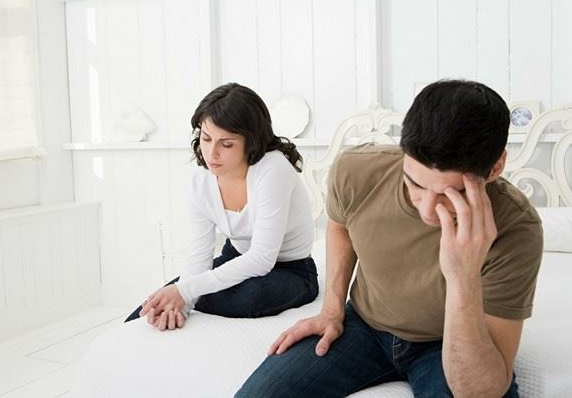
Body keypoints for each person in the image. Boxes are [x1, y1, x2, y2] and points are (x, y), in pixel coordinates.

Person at [236, 80, 543, 397]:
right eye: (415, 184)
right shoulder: (357, 171)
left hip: (447, 342)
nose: (427, 209)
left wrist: (462, 276)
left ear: (495, 167)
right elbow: (341, 224)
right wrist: (332, 309)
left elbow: (480, 391)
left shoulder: (516, 228)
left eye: (451, 193)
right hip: (364, 327)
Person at [124, 82, 318, 330]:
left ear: (251, 141)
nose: (211, 153)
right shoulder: (199, 180)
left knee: (248, 298)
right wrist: (181, 303)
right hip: (235, 257)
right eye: (206, 138)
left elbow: (262, 258)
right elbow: (199, 259)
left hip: (291, 270)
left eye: (226, 144)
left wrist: (186, 291)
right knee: (157, 304)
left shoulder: (273, 169)